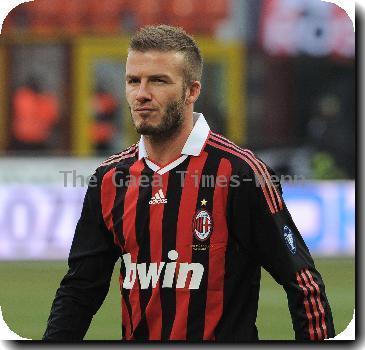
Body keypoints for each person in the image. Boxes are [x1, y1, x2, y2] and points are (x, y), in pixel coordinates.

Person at [43, 25, 335, 341]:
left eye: (158, 80)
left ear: (192, 91)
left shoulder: (238, 173)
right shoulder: (110, 180)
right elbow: (80, 289)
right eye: (133, 81)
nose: (141, 93)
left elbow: (303, 283)